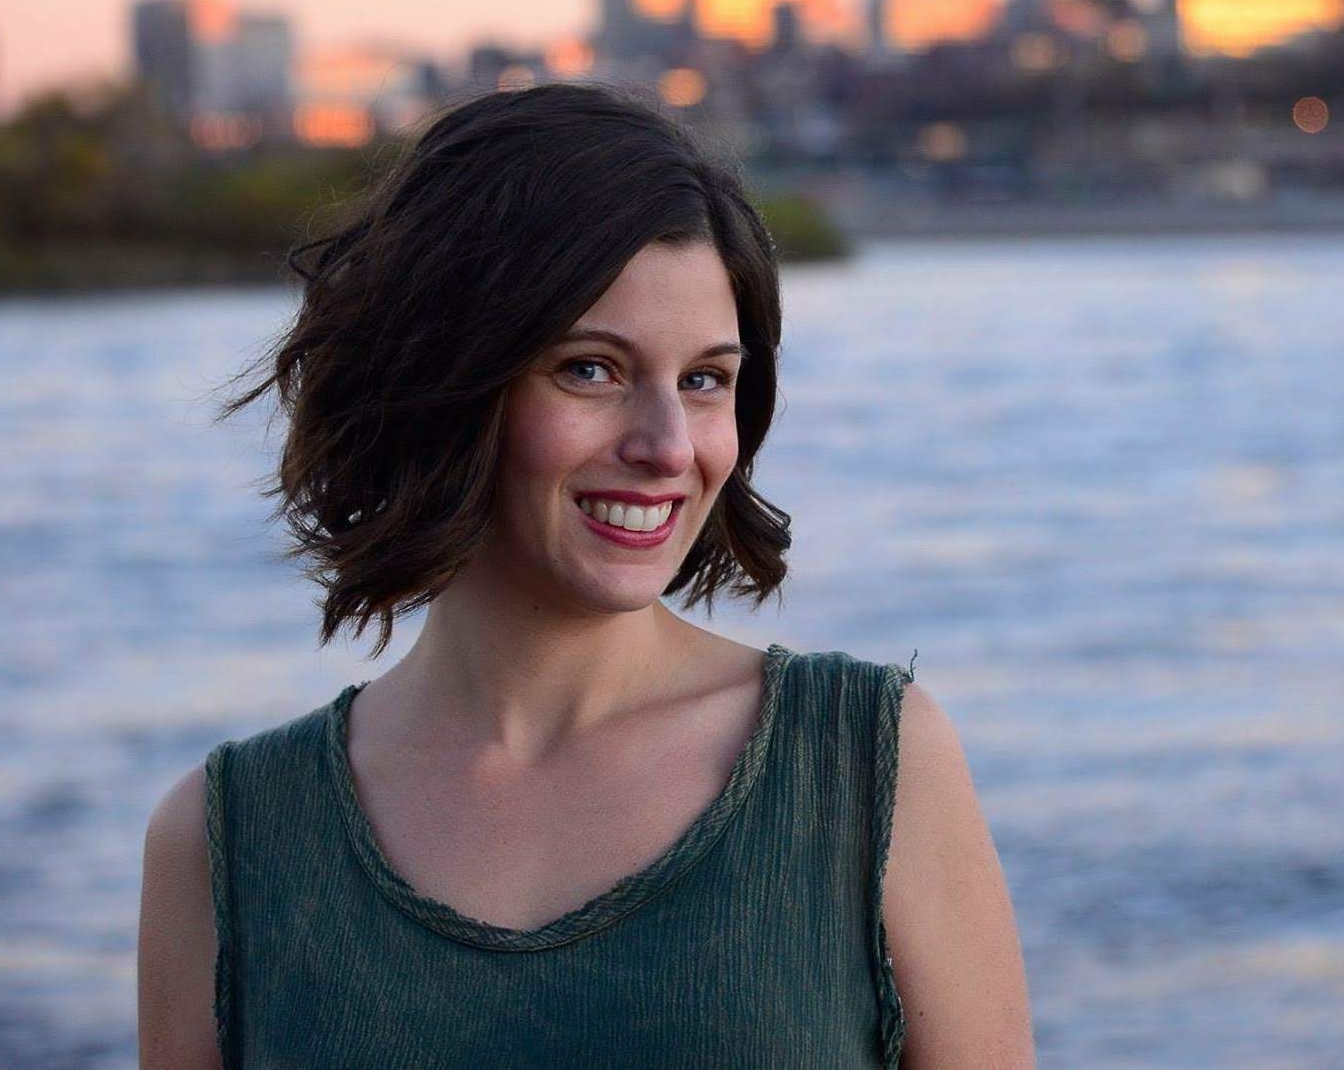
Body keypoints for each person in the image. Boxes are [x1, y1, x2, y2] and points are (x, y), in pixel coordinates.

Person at [137, 82, 1033, 1068]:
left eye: (703, 379)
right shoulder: (227, 842)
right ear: (443, 375)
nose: (664, 445)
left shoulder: (868, 765)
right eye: (590, 368)